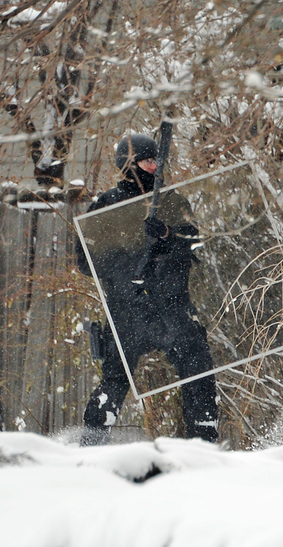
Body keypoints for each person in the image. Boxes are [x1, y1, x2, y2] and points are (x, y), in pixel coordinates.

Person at [76, 134, 219, 446]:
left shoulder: (172, 202)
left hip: (171, 306)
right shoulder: (104, 207)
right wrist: (127, 258)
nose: (154, 166)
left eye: (157, 160)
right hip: (126, 310)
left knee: (198, 369)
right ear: (129, 166)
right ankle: (89, 446)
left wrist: (167, 235)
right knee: (114, 379)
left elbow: (194, 248)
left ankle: (204, 445)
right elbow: (85, 263)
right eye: (146, 161)